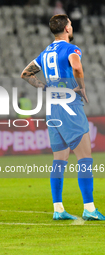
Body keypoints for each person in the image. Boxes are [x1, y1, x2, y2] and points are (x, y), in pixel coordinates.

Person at [21, 14, 105, 221]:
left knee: (59, 161)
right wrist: (82, 88)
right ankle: (89, 208)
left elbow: (26, 73)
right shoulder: (71, 49)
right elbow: (76, 66)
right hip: (70, 107)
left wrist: (44, 87)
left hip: (53, 109)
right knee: (85, 158)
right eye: (70, 24)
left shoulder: (45, 53)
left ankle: (58, 209)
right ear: (67, 29)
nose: (71, 26)